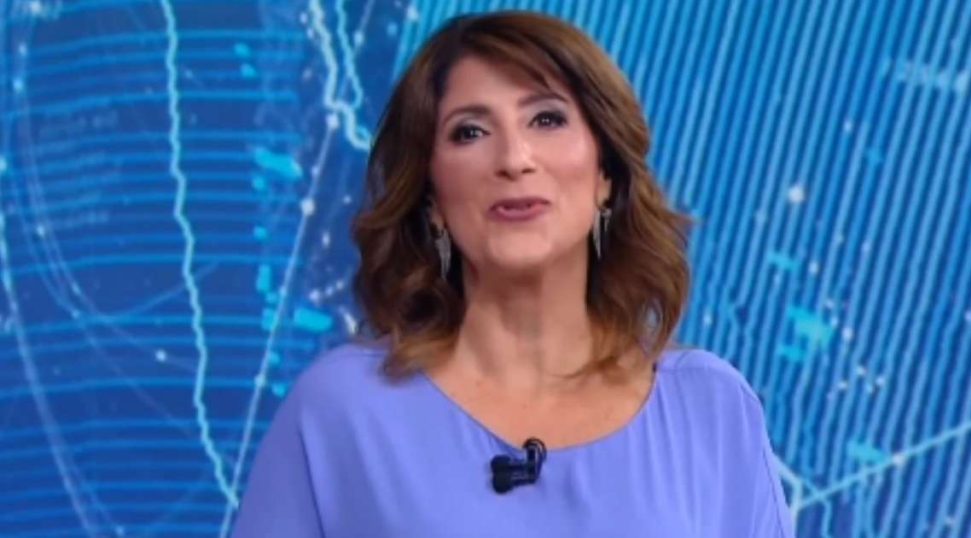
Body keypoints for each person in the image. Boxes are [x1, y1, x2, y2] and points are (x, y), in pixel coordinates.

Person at [231, 10, 795, 537]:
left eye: (547, 119)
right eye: (470, 132)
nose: (514, 159)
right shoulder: (340, 411)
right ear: (431, 197)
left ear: (605, 175)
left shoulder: (711, 407)